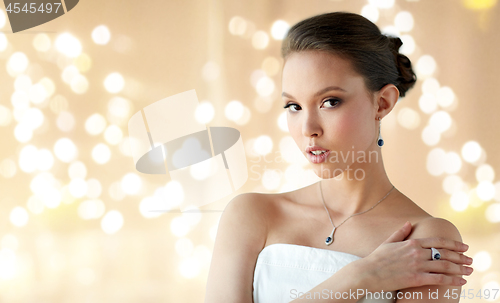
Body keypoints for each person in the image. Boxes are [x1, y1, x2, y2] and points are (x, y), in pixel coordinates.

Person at [204, 11, 473, 303]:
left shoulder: (424, 239)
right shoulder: (251, 215)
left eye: (330, 102)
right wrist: (359, 279)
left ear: (382, 103)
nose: (308, 129)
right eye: (293, 106)